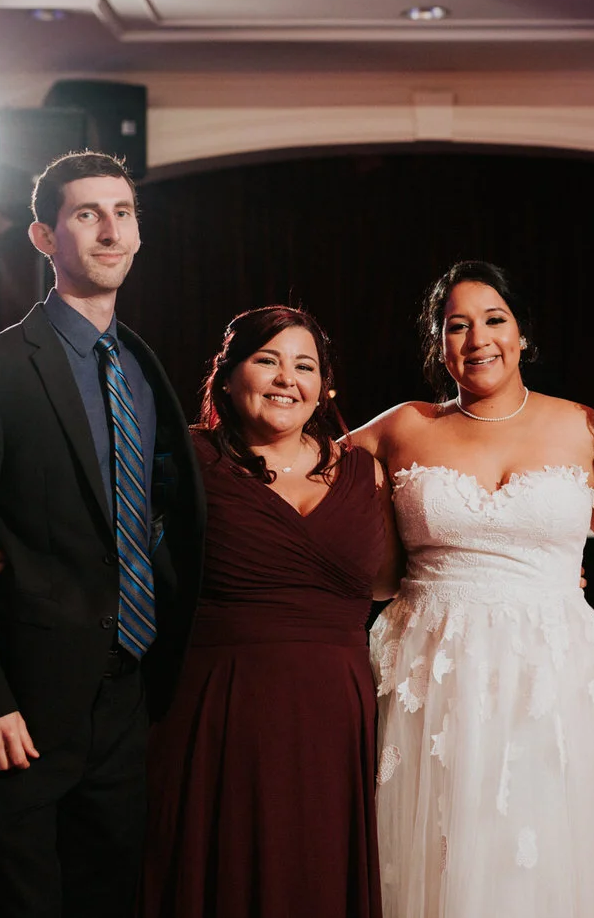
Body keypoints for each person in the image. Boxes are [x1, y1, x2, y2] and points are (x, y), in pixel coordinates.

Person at [0, 151, 205, 918]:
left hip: (126, 701)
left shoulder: (144, 369)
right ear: (44, 236)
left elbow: (155, 517)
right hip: (21, 710)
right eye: (87, 214)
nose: (111, 230)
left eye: (124, 213)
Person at [354, 260, 594, 917]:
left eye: (493, 319)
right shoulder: (405, 426)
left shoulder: (586, 427)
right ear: (438, 343)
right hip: (431, 665)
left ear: (521, 334)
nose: (476, 338)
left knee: (539, 853)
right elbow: (302, 465)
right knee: (441, 848)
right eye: (456, 325)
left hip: (551, 671)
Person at [139, 306, 399, 917]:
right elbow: (97, 536)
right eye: (267, 361)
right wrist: (4, 554)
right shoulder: (184, 460)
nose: (287, 379)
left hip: (335, 717)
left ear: (324, 387)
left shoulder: (368, 473)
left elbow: (394, 581)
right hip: (217, 709)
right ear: (227, 378)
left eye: (304, 366)